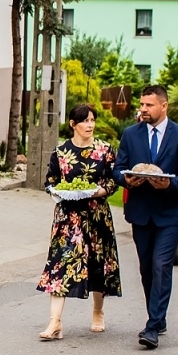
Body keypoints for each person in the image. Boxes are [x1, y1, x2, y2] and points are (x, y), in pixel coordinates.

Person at [113, 84, 178, 350]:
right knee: (146, 268)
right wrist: (126, 180)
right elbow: (118, 169)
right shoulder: (131, 134)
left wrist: (170, 184)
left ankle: (152, 325)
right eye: (142, 105)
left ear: (164, 106)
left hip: (171, 212)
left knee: (162, 264)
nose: (143, 109)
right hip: (141, 212)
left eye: (149, 105)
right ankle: (158, 317)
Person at [37, 104, 121, 340]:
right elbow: (50, 181)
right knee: (60, 265)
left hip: (96, 216)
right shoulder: (61, 152)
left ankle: (98, 311)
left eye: (92, 120)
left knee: (97, 264)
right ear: (73, 124)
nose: (90, 125)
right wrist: (57, 191)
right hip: (68, 218)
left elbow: (112, 182)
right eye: (85, 121)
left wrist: (96, 192)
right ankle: (55, 322)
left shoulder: (104, 150)